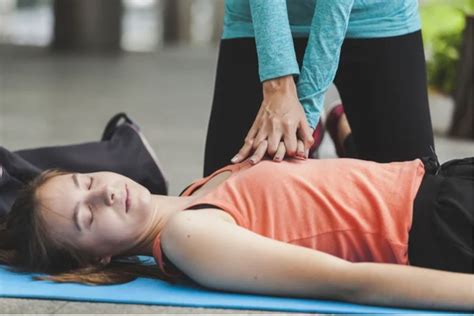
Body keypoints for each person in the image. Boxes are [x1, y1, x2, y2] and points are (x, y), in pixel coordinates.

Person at [0, 143, 472, 310]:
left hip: (445, 183)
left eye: (85, 181)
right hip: (446, 225)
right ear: (96, 258)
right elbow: (352, 284)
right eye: (86, 217)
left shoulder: (192, 196)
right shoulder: (190, 237)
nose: (102, 193)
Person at [204, 0, 434, 176]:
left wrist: (304, 120)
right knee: (217, 203)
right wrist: (277, 86)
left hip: (377, 15)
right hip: (257, 19)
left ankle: (342, 131)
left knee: (417, 203)